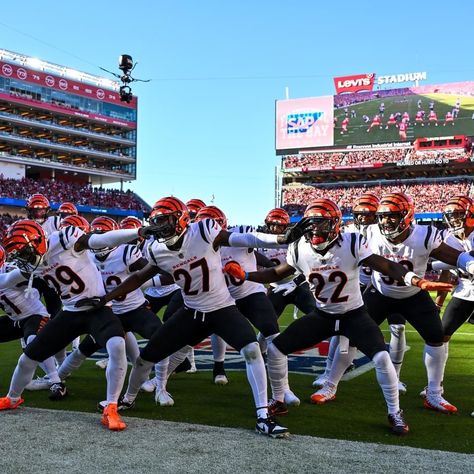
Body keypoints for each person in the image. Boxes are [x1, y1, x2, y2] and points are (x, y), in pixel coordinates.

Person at [77, 196, 311, 438]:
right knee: (145, 359)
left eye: (165, 221)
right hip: (191, 312)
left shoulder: (204, 230)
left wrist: (281, 239)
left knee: (251, 350)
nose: (160, 227)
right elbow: (138, 278)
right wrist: (107, 298)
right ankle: (128, 398)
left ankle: (263, 414)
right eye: (156, 222)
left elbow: (246, 238)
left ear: (180, 220)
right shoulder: (156, 249)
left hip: (222, 309)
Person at [223, 198, 446, 434]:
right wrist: (246, 276)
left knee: (381, 357)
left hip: (353, 315)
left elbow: (388, 266)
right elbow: (275, 273)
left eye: (322, 224)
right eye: (312, 224)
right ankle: (278, 400)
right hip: (323, 315)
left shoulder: (351, 243)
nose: (316, 230)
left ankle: (395, 412)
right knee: (277, 348)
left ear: (336, 225)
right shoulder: (299, 248)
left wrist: (416, 280)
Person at [319, 192, 474, 413]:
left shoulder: (425, 234)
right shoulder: (368, 233)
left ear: (407, 215)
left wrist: (471, 265)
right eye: (382, 216)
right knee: (351, 336)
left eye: (392, 216)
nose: (385, 221)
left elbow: (456, 257)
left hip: (413, 294)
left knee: (436, 337)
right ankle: (330, 385)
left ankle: (434, 394)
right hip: (379, 293)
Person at [0, 218, 159, 431]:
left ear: (37, 242)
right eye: (19, 256)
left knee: (116, 345)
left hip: (97, 309)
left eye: (25, 253)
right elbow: (6, 279)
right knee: (28, 356)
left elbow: (102, 238)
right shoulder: (31, 264)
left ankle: (111, 406)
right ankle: (12, 398)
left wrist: (138, 231)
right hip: (70, 313)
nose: (23, 259)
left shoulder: (63, 240)